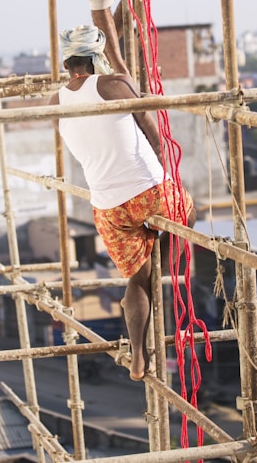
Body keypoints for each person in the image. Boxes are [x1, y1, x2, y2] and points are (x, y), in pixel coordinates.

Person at [53, 24, 196, 381]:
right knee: (188, 210)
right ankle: (161, 253)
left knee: (137, 280)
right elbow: (157, 137)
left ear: (67, 60)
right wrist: (166, 176)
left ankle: (137, 355)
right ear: (96, 55)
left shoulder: (55, 101)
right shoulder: (115, 84)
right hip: (148, 193)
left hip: (108, 208)